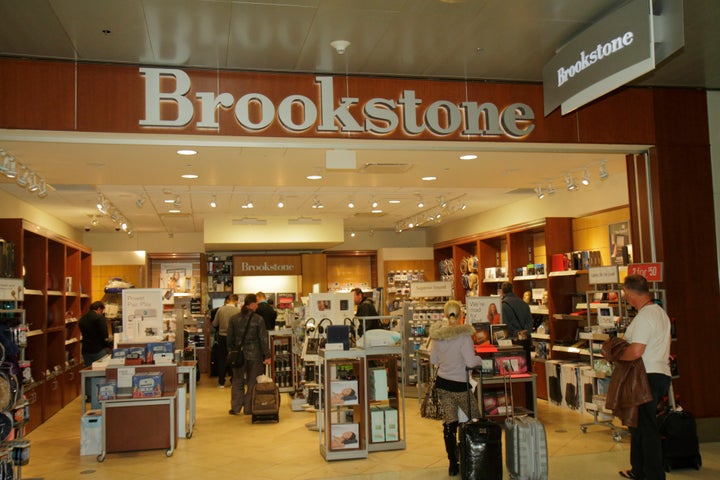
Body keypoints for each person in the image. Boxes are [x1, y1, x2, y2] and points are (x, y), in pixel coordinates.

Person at [617, 274, 671, 480]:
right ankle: (639, 470)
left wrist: (618, 355)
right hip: (657, 375)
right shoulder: (659, 313)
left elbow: (637, 350)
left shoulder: (645, 317)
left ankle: (654, 474)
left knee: (646, 428)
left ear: (630, 293)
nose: (625, 298)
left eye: (624, 294)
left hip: (645, 378)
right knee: (638, 425)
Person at [429, 299, 483, 477]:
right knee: (475, 419)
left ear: (444, 315)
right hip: (461, 385)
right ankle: (476, 457)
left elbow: (434, 361)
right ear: (461, 315)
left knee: (449, 424)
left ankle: (453, 463)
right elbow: (470, 361)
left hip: (443, 384)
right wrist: (479, 361)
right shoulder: (464, 336)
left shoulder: (438, 336)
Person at [227, 294, 271, 415]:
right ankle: (249, 408)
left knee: (237, 381)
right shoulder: (258, 319)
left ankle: (235, 408)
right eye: (256, 303)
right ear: (251, 304)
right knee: (252, 382)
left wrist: (232, 351)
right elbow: (263, 339)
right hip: (254, 354)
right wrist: (267, 355)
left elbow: (229, 338)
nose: (257, 305)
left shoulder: (234, 318)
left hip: (238, 355)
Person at [501, 281, 534, 372]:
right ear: (513, 290)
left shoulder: (503, 305)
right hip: (525, 341)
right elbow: (530, 321)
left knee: (514, 371)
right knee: (526, 370)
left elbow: (504, 325)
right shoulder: (523, 303)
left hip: (512, 342)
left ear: (502, 292)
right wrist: (525, 332)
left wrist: (516, 333)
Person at [211, 294, 240, 388]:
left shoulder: (220, 310)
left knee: (221, 359)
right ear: (235, 301)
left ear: (227, 300)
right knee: (234, 359)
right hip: (234, 338)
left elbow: (215, 323)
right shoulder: (238, 311)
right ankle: (233, 381)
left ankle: (221, 382)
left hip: (222, 337)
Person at [79, 301, 111, 367]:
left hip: (85, 350)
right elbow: (104, 335)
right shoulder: (99, 318)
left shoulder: (82, 319)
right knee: (101, 370)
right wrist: (108, 346)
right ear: (99, 309)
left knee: (89, 371)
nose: (102, 313)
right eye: (102, 311)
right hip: (98, 349)